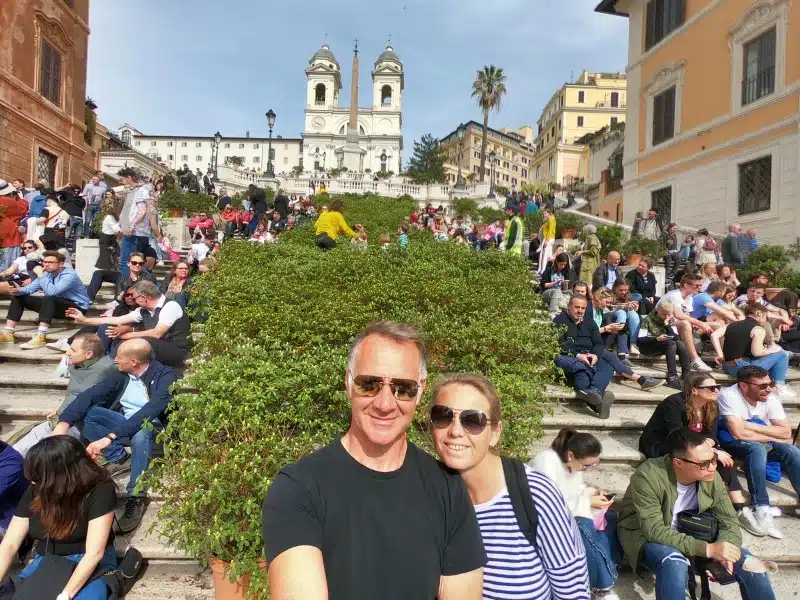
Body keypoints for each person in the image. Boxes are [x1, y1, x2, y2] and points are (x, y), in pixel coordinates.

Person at [262, 322, 484, 600]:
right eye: (369, 384)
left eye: (403, 388)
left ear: (420, 391)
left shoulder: (448, 490)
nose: (385, 403)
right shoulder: (298, 490)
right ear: (348, 383)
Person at [431, 375, 592, 600]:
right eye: (443, 416)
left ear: (495, 433)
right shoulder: (429, 495)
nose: (455, 430)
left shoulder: (535, 494)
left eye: (472, 420)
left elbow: (573, 593)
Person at [615, 429, 777, 600]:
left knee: (751, 565)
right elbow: (654, 530)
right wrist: (707, 549)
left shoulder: (711, 476)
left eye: (713, 459)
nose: (712, 467)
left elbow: (729, 520)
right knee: (674, 562)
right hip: (645, 536)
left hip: (694, 531)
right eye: (704, 463)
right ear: (678, 463)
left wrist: (727, 548)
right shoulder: (648, 476)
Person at [54, 339, 175, 534]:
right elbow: (89, 395)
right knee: (88, 412)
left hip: (155, 429)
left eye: (119, 356)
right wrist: (63, 423)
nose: (114, 359)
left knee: (142, 430)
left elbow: (149, 412)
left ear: (134, 361)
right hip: (124, 425)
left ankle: (136, 496)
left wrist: (110, 437)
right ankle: (120, 457)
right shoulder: (121, 375)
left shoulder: (166, 375)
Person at [0, 436, 117, 599]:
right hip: (47, 560)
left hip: (88, 562)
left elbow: (94, 554)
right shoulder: (38, 489)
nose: (33, 482)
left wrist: (65, 595)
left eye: (40, 475)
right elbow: (9, 544)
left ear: (60, 474)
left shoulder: (100, 489)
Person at [638, 372, 756, 531]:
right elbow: (677, 434)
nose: (716, 391)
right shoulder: (674, 403)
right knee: (712, 456)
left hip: (695, 443)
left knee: (724, 459)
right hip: (664, 443)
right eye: (711, 388)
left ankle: (740, 507)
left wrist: (711, 446)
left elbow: (711, 434)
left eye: (717, 387)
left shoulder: (711, 405)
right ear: (694, 390)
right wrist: (710, 451)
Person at [532, 428, 619, 599]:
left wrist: (592, 493)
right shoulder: (547, 463)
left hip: (569, 510)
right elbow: (550, 504)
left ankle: (607, 570)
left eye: (594, 464)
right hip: (546, 520)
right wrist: (587, 502)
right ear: (571, 455)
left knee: (610, 518)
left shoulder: (572, 465)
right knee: (583, 525)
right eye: (587, 465)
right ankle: (603, 587)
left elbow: (577, 491)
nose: (588, 469)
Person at [716, 366, 800, 539]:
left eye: (770, 383)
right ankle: (761, 507)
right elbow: (737, 434)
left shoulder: (769, 397)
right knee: (756, 449)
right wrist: (766, 431)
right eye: (762, 385)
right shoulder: (729, 396)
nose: (768, 388)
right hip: (729, 442)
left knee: (790, 450)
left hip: (756, 437)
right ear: (744, 385)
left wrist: (749, 425)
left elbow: (786, 433)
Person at [554, 295, 662, 419]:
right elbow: (559, 344)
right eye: (576, 307)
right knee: (581, 370)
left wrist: (595, 354)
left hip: (589, 355)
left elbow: (599, 343)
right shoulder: (559, 321)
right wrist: (578, 355)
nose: (580, 310)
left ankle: (595, 391)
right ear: (569, 307)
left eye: (583, 308)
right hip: (569, 357)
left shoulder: (590, 322)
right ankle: (598, 403)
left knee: (607, 366)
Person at [67, 280, 191, 367]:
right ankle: (104, 361)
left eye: (135, 297)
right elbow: (117, 320)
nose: (133, 300)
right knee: (108, 328)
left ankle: (114, 364)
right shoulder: (143, 310)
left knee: (143, 341)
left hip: (175, 350)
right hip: (155, 345)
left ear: (143, 297)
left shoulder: (171, 306)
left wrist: (126, 335)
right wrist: (85, 320)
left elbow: (157, 333)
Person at [0, 251, 89, 349]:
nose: (46, 264)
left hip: (76, 309)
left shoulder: (69, 275)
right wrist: (18, 290)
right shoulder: (47, 274)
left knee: (49, 297)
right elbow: (30, 288)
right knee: (19, 297)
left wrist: (40, 274)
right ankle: (8, 332)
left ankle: (41, 336)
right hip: (54, 305)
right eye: (45, 262)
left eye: (50, 262)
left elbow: (52, 292)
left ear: (60, 264)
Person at [711, 303, 796, 399]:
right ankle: (779, 386)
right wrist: (771, 350)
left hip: (727, 366)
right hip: (742, 368)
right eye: (766, 317)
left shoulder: (731, 325)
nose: (766, 320)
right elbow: (757, 352)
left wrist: (720, 354)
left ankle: (773, 385)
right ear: (759, 313)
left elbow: (714, 335)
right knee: (782, 354)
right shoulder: (758, 329)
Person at [660, 274, 714, 372]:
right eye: (696, 285)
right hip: (662, 324)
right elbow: (679, 315)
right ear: (685, 285)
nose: (699, 288)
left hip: (674, 324)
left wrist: (698, 324)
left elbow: (687, 315)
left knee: (717, 323)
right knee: (685, 323)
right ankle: (695, 359)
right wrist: (701, 323)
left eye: (700, 286)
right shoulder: (674, 295)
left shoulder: (689, 298)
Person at [637, 299, 691, 389]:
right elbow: (641, 340)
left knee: (681, 344)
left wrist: (667, 325)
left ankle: (687, 376)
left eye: (669, 314)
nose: (666, 317)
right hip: (649, 346)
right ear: (657, 310)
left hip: (666, 346)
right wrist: (657, 339)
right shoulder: (647, 319)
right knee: (671, 344)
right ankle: (672, 378)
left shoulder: (670, 320)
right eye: (663, 314)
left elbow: (675, 337)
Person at [117, 167, 154, 279]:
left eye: (123, 179)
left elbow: (142, 211)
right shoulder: (142, 190)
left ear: (129, 178)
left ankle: (125, 288)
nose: (121, 182)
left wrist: (130, 226)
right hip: (140, 233)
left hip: (134, 233)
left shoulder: (141, 191)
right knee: (138, 264)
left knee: (126, 262)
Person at [0, 179, 29, 272]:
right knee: (8, 266)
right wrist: (20, 197)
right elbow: (23, 209)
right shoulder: (7, 200)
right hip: (10, 236)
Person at [610, 278, 642, 357]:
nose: (623, 292)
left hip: (625, 315)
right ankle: (621, 345)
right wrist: (620, 306)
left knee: (634, 315)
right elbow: (607, 308)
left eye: (625, 290)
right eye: (620, 290)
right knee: (621, 313)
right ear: (615, 288)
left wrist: (634, 308)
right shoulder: (610, 294)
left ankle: (633, 344)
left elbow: (630, 309)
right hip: (613, 314)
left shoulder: (628, 295)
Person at [540, 252, 572, 316]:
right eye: (561, 264)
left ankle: (562, 307)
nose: (563, 266)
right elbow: (543, 285)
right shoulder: (549, 270)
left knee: (570, 292)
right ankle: (552, 312)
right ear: (557, 261)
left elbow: (565, 290)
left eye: (564, 265)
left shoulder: (565, 272)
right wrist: (555, 283)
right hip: (548, 292)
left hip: (561, 293)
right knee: (557, 291)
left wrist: (566, 284)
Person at [575, 225, 601, 290]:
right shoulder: (591, 238)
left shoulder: (592, 238)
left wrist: (582, 252)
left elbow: (594, 251)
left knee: (588, 283)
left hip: (589, 265)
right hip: (588, 264)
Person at [80, 175, 106, 239]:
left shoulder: (103, 189)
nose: (93, 180)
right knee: (87, 220)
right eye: (92, 179)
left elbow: (103, 198)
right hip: (90, 204)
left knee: (95, 221)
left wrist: (101, 205)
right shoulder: (88, 186)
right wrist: (86, 204)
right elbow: (84, 195)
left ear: (99, 181)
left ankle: (93, 234)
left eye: (95, 179)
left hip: (97, 206)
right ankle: (86, 235)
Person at [537, 209, 556, 275]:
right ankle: (544, 270)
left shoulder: (551, 219)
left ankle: (542, 270)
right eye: (543, 213)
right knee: (547, 255)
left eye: (545, 213)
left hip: (548, 239)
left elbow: (550, 231)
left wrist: (547, 240)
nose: (544, 215)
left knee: (544, 255)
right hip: (549, 238)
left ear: (549, 213)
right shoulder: (550, 219)